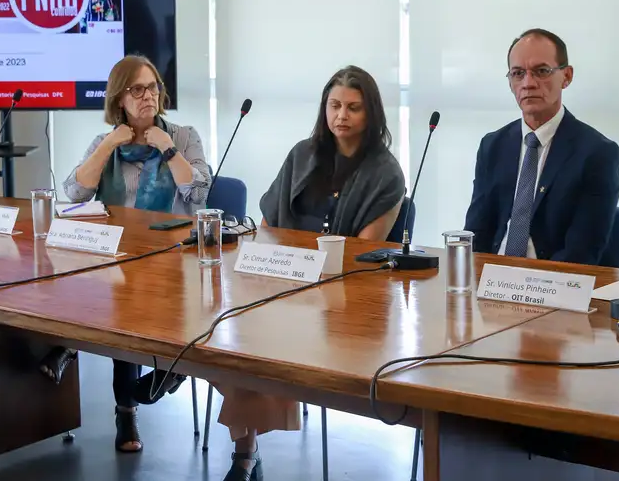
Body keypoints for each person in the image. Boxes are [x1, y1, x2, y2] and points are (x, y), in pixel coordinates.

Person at [215, 65, 405, 481]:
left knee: (259, 345)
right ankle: (244, 447)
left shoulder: (387, 173)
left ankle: (245, 453)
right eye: (334, 105)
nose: (341, 115)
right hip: (281, 278)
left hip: (339, 299)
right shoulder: (303, 153)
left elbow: (361, 254)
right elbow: (268, 225)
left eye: (353, 107)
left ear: (371, 113)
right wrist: (264, 268)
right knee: (228, 334)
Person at [46, 54, 212, 453]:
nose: (148, 96)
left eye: (153, 87)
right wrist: (108, 145)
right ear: (119, 98)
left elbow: (199, 192)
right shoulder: (106, 144)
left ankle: (78, 352)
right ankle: (124, 405)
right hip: (118, 255)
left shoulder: (183, 136)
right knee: (111, 291)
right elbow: (75, 191)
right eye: (137, 89)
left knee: (125, 299)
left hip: (172, 259)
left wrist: (168, 150)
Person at [465, 28, 619, 265]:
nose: (528, 83)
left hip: (553, 280)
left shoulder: (597, 153)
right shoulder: (493, 146)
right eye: (518, 73)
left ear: (566, 76)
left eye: (541, 71)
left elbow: (581, 252)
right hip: (492, 278)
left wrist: (528, 281)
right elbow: (476, 234)